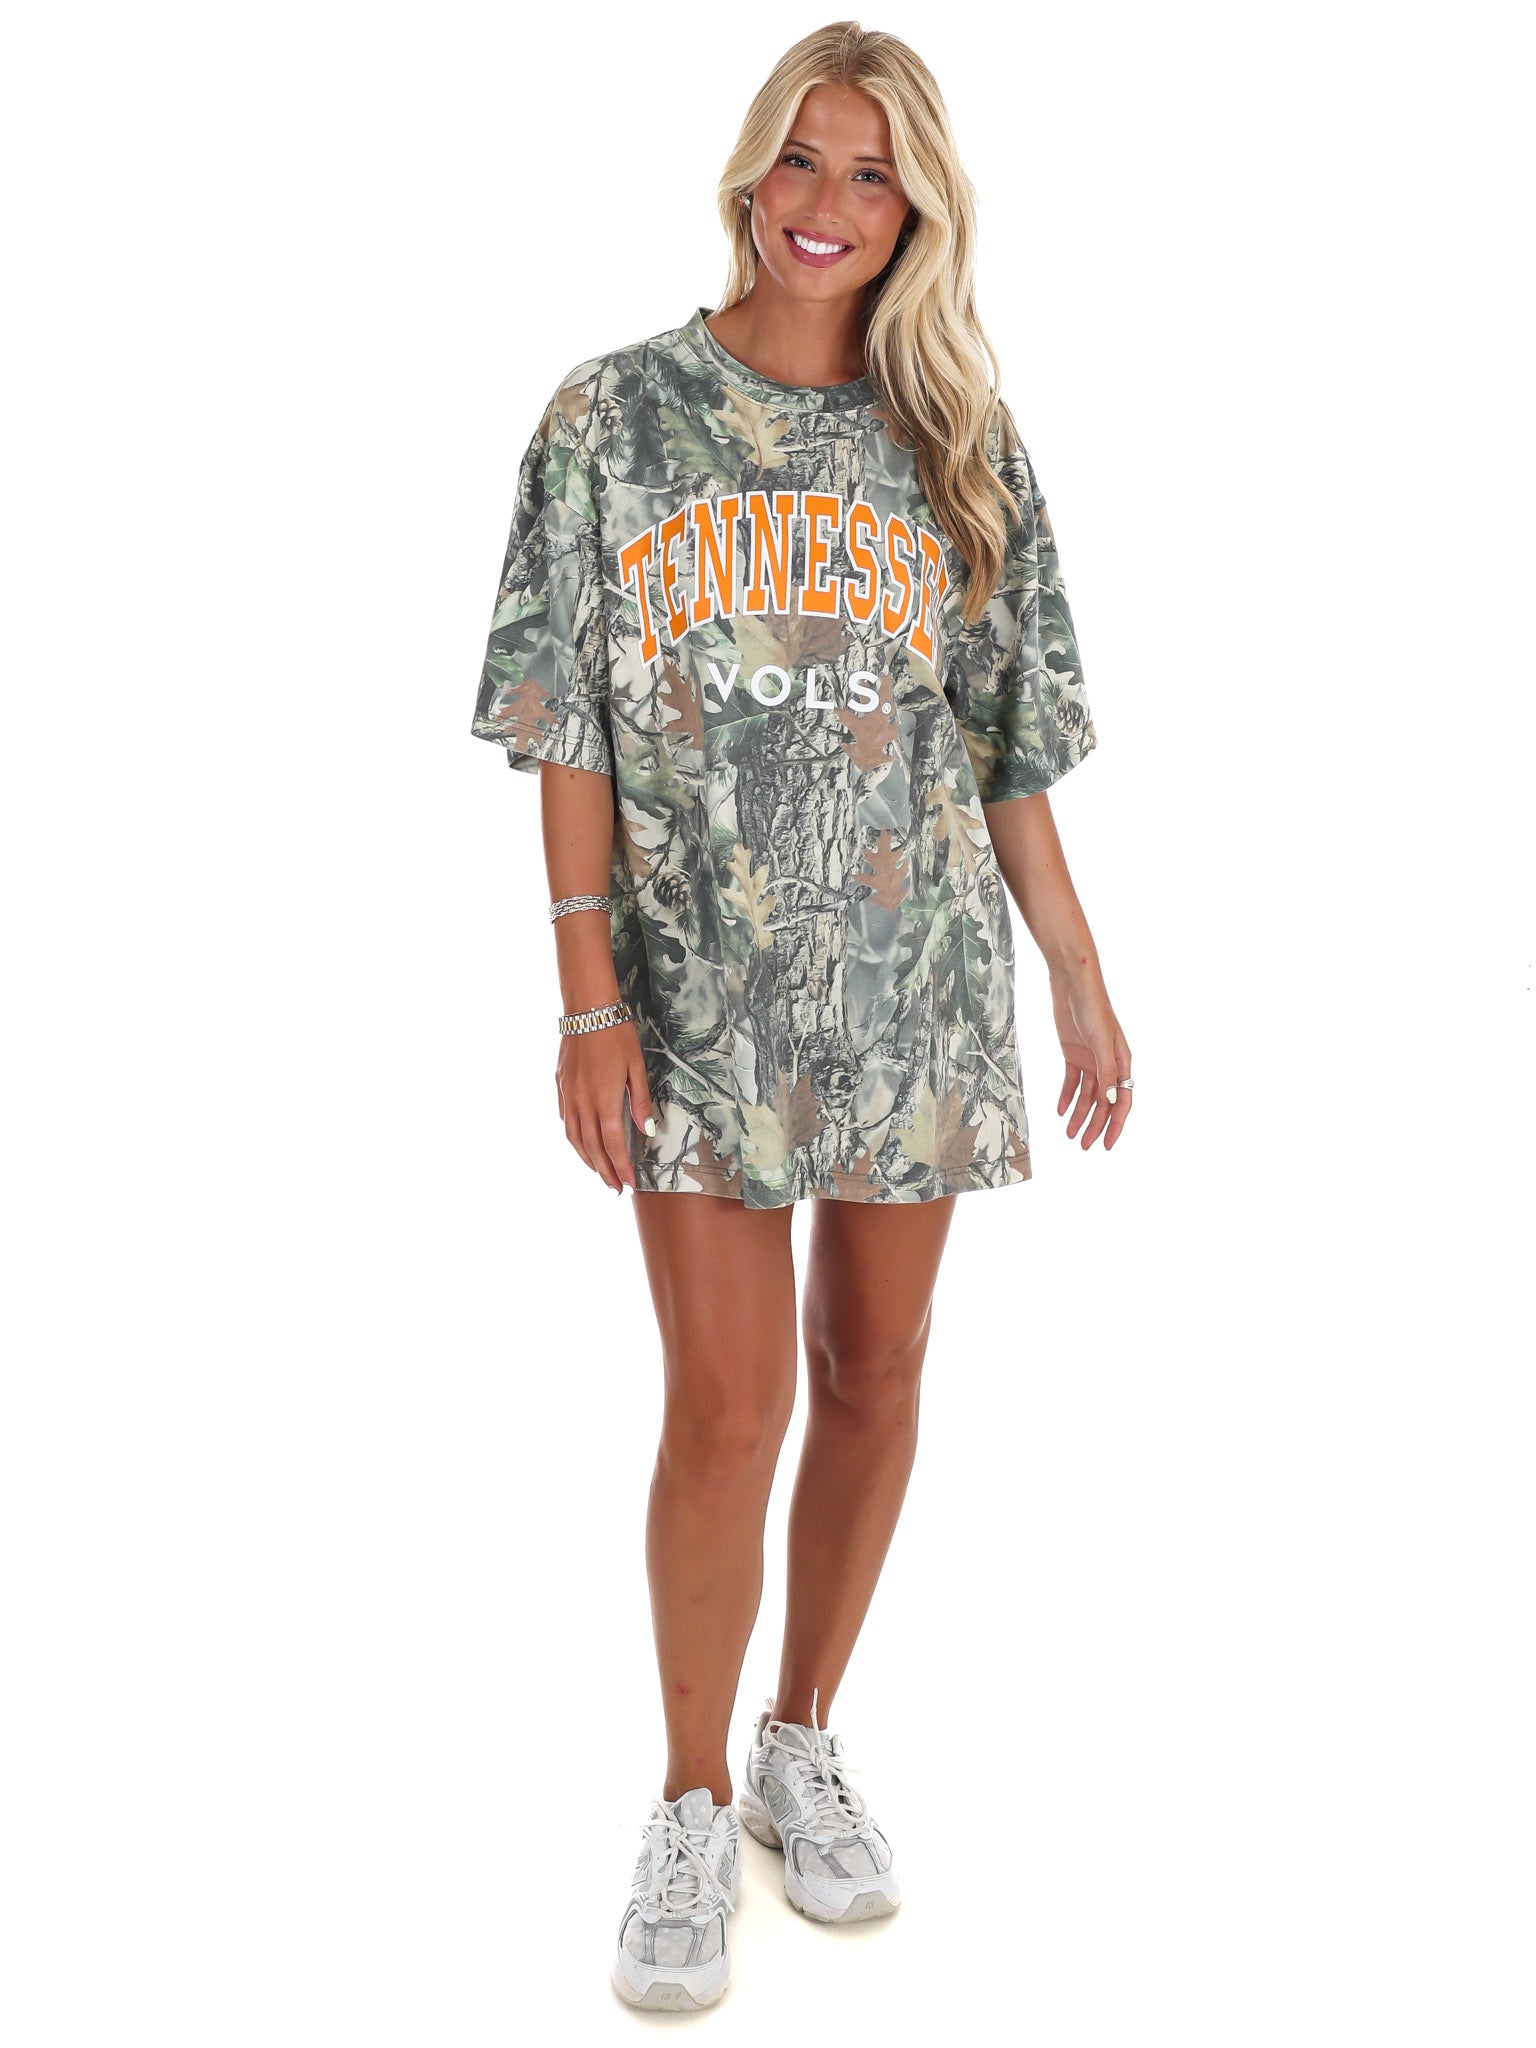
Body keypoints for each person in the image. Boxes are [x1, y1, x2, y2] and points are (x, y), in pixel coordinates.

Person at [470, 19, 1132, 2013]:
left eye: (872, 176)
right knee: (727, 1402)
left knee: (874, 1369)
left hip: (914, 986)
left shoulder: (959, 436)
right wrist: (585, 992)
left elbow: (1005, 743)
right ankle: (685, 1802)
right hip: (695, 996)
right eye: (804, 161)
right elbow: (563, 722)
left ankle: (801, 1737)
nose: (829, 206)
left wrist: (1079, 970)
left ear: (917, 210)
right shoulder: (615, 416)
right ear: (750, 170)